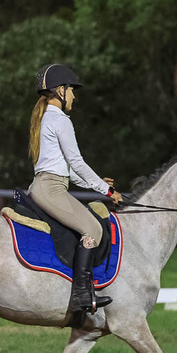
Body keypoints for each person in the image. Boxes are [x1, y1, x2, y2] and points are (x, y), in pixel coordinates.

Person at [27, 63, 123, 316]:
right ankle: (81, 293)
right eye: (71, 90)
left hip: (47, 185)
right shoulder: (60, 120)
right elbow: (77, 163)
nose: (74, 96)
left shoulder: (45, 118)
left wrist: (97, 182)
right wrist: (107, 191)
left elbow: (66, 171)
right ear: (60, 90)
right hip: (51, 189)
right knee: (93, 229)